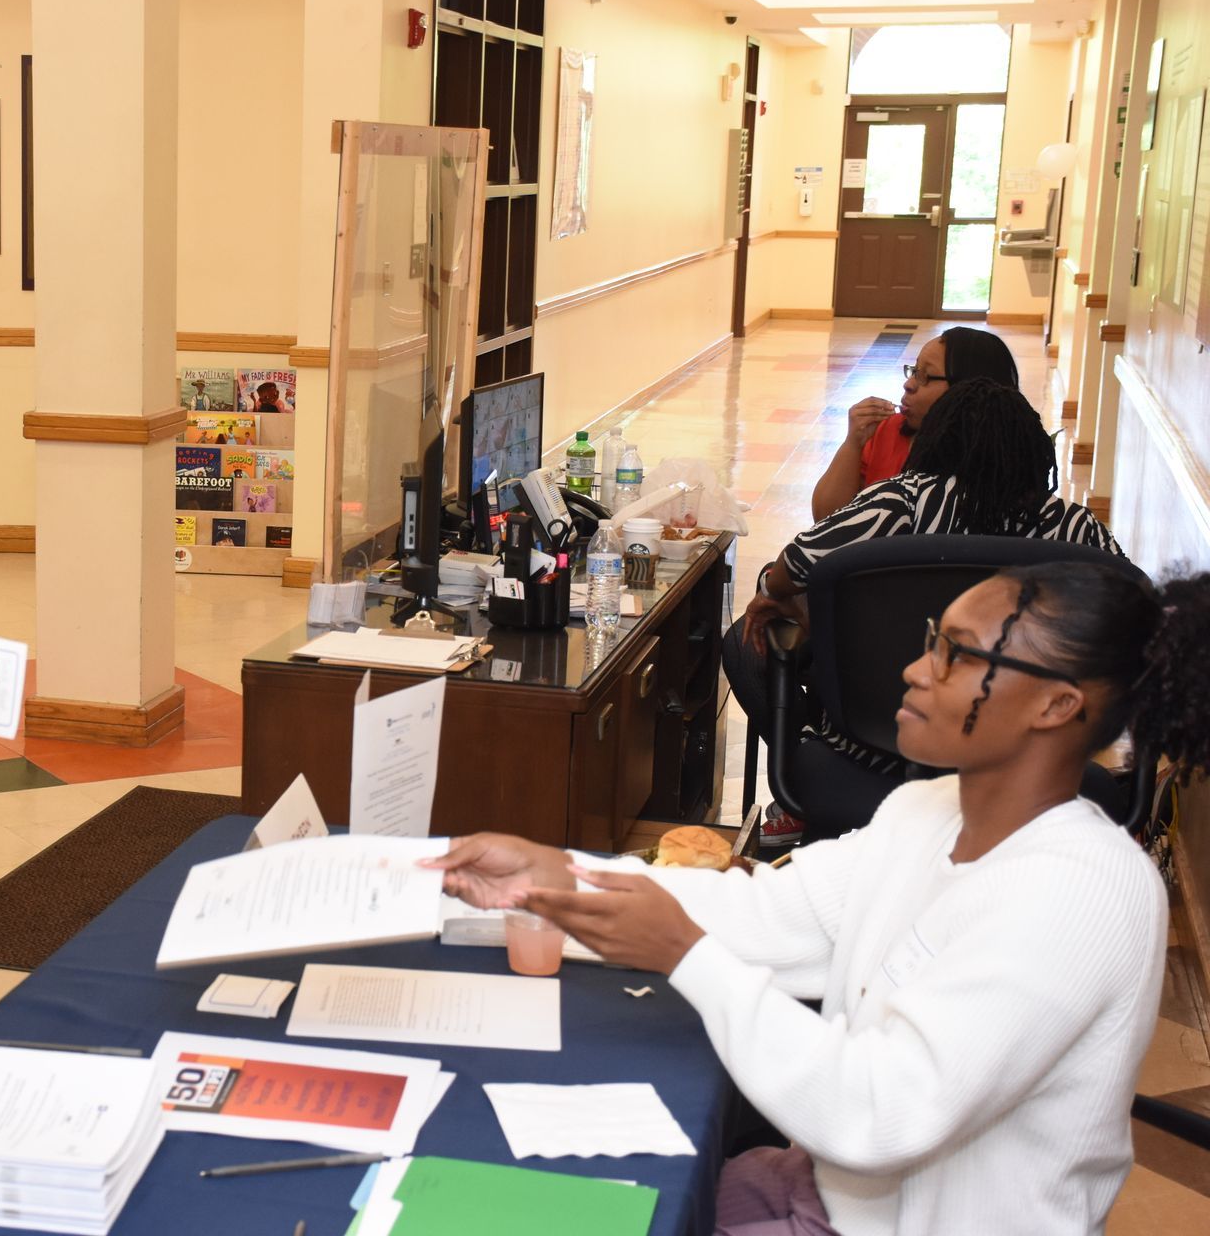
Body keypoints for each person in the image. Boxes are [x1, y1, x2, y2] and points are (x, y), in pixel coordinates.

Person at [429, 559, 1209, 1235]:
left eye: (954, 655)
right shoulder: (925, 813)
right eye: (933, 637)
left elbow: (881, 1112)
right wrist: (551, 874)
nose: (915, 669)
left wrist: (684, 954)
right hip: (828, 1196)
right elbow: (765, 918)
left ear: (1056, 705)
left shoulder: (1081, 894)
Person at [726, 378, 1118, 841]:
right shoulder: (1075, 527)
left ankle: (801, 791)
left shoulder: (901, 501)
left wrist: (775, 591)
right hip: (1025, 762)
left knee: (750, 646)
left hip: (870, 755)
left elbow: (796, 562)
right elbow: (1137, 610)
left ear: (937, 438)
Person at [811, 327, 1020, 520]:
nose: (908, 384)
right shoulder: (889, 430)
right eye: (914, 371)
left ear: (968, 388)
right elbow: (826, 517)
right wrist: (853, 443)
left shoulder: (996, 459)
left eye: (925, 376)